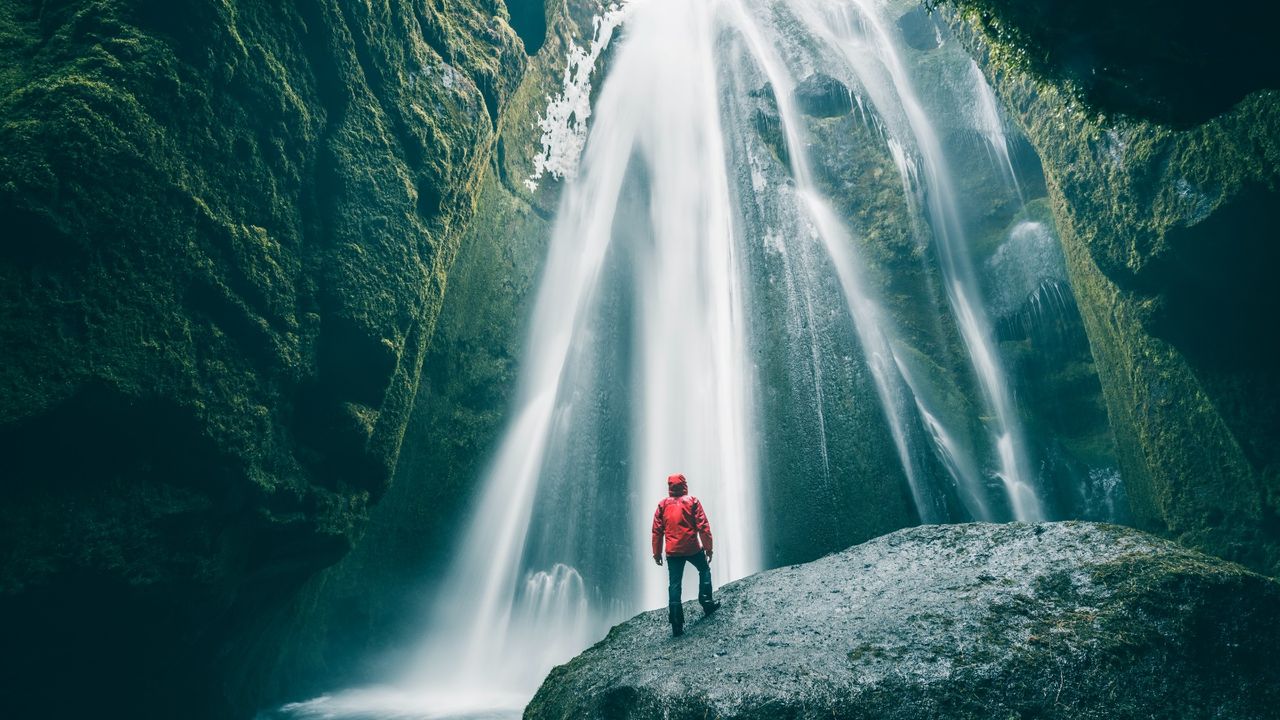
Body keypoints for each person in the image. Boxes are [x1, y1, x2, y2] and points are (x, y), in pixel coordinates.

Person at [651, 472, 720, 637]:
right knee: (704, 570)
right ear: (684, 485)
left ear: (670, 487)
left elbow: (656, 531)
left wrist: (656, 553)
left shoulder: (662, 505)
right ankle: (707, 602)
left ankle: (676, 623)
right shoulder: (692, 502)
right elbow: (703, 526)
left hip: (673, 552)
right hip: (692, 548)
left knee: (674, 584)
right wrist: (708, 548)